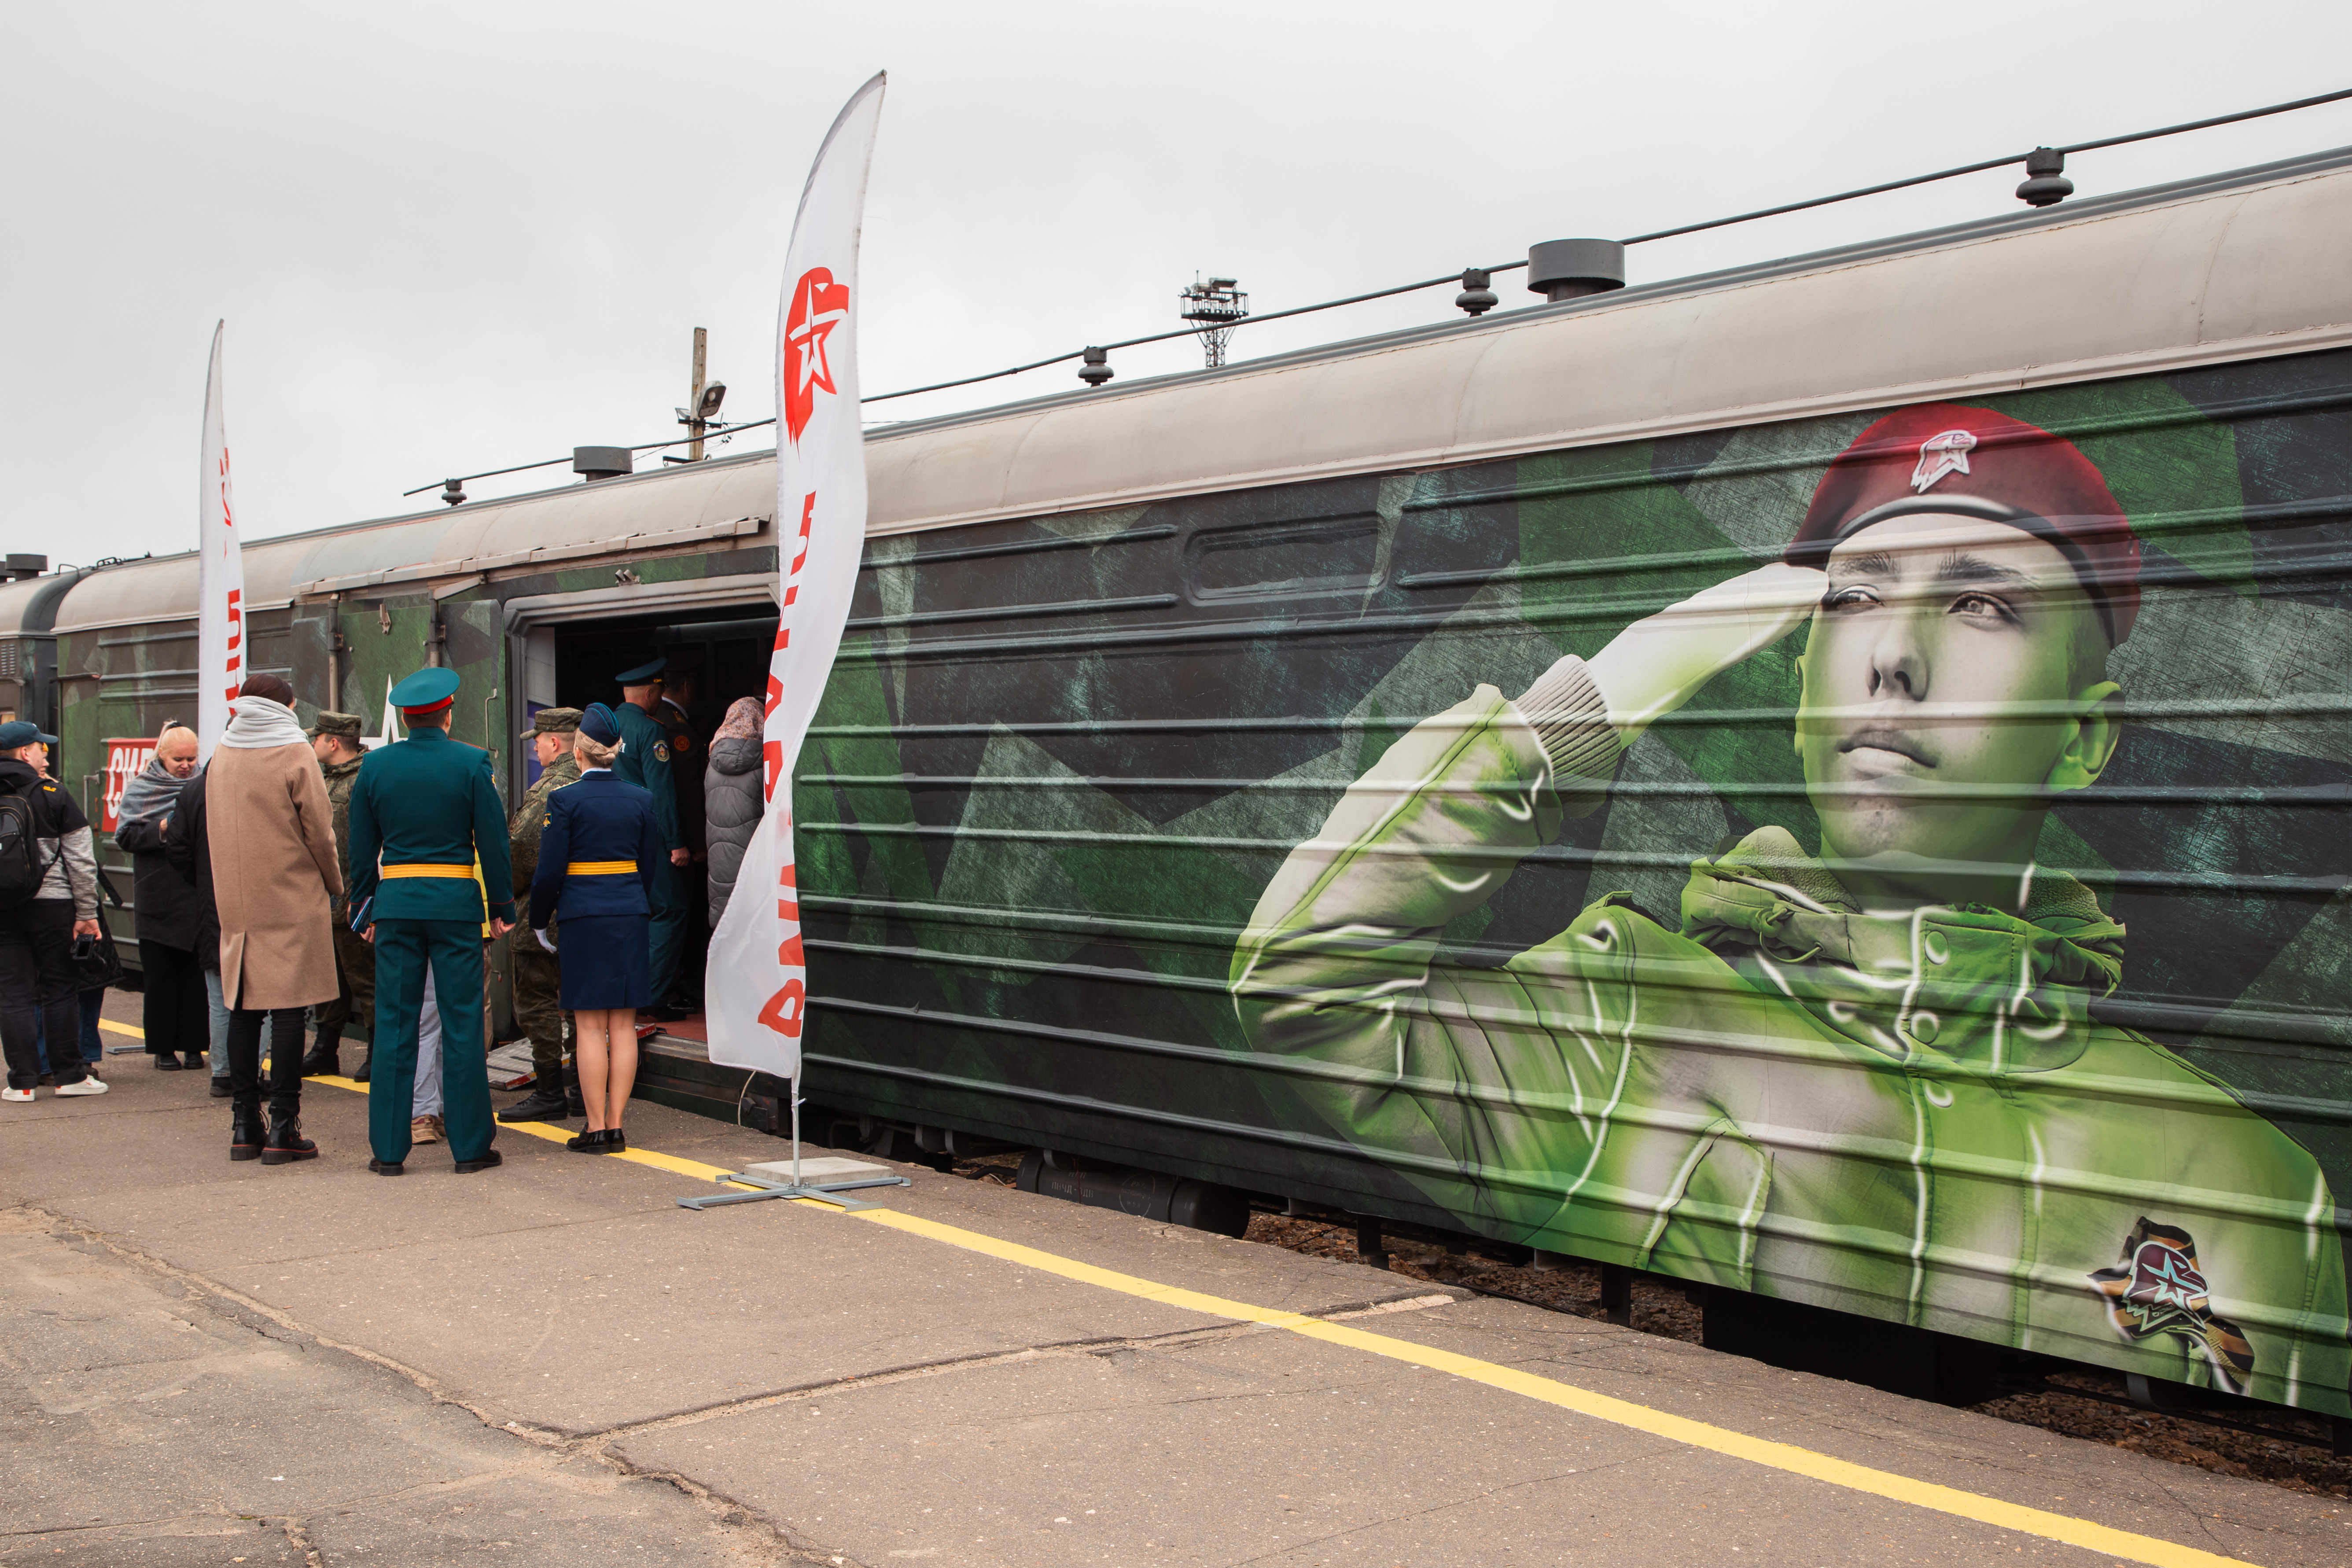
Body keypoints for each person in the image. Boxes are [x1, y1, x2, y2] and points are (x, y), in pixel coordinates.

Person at [1233, 402, 2345, 1410]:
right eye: (1855, 599)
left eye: (1980, 603)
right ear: (1803, 687)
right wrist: (1581, 714)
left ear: (2085, 733)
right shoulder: (1626, 1011)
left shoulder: (2246, 1178)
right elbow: (1305, 982)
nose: (1894, 657)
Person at [346, 666, 515, 1175]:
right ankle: (469, 1149)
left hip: (397, 905)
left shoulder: (374, 767)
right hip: (455, 906)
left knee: (396, 1025)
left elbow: (359, 846)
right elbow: (493, 841)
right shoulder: (471, 763)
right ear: (447, 714)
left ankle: (388, 1151)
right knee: (462, 1024)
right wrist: (501, 908)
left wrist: (363, 906)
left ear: (403, 716)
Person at [207, 674, 342, 1164]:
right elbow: (320, 830)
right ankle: (285, 1126)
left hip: (238, 900)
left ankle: (246, 1124)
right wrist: (334, 883)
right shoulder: (293, 749)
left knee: (243, 1009)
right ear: (286, 705)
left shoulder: (222, 752)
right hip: (290, 892)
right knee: (290, 1009)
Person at [529, 702, 663, 1153]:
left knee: (589, 1025)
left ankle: (595, 1126)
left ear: (579, 753)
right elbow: (648, 868)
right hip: (629, 912)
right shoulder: (642, 799)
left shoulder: (563, 801)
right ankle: (618, 1125)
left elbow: (549, 872)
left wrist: (539, 921)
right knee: (623, 1024)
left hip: (582, 915)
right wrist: (629, 899)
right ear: (618, 751)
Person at [0, 721, 107, 1102]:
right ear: (25, 753)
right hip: (52, 905)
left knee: (12, 994)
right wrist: (86, 911)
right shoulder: (52, 793)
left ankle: (22, 1083)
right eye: (41, 748)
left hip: (4, 907)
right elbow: (81, 859)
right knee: (59, 989)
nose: (46, 753)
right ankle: (70, 1077)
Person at [498, 707, 584, 1125]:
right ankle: (584, 1091)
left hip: (544, 916)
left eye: (538, 740)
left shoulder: (549, 788)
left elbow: (521, 852)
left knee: (537, 1004)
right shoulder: (603, 779)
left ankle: (551, 1090)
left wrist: (509, 897)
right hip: (589, 914)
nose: (535, 747)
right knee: (582, 1006)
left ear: (554, 743)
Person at [112, 721, 209, 1071]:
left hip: (196, 894)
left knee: (197, 980)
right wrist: (163, 828)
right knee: (161, 980)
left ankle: (196, 1047)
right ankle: (163, 1049)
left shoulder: (204, 786)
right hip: (156, 896)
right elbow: (126, 838)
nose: (186, 765)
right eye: (179, 759)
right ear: (162, 757)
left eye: (192, 759)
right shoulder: (142, 788)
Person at [610, 658, 689, 1012]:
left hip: (608, 837)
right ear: (650, 693)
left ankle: (625, 989)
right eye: (658, 693)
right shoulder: (651, 730)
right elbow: (661, 792)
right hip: (647, 836)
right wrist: (676, 843)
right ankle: (652, 996)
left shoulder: (602, 727)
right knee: (670, 910)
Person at [304, 711, 373, 1078]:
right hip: (324, 901)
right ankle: (325, 1048)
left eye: (316, 738)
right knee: (327, 981)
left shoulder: (364, 779)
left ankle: (377, 1051)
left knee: (367, 979)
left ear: (333, 742)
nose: (311, 743)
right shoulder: (322, 780)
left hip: (354, 899)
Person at [704, 696, 765, 927]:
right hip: (752, 858)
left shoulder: (712, 763)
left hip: (719, 859)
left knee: (726, 921)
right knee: (754, 924)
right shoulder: (764, 762)